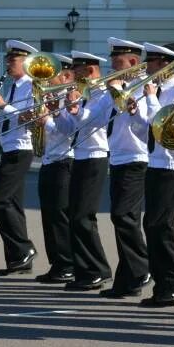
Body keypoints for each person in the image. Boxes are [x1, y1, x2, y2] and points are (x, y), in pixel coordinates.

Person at [76, 38, 151, 298]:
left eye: (117, 63)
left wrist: (121, 93)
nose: (112, 69)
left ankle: (141, 268)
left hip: (136, 157)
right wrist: (74, 108)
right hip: (118, 158)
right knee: (121, 219)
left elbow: (146, 122)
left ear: (132, 62)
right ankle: (128, 278)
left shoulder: (142, 86)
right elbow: (94, 119)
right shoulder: (113, 87)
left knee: (124, 216)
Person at [134, 42, 174, 308]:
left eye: (152, 62)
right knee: (153, 225)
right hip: (156, 162)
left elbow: (162, 123)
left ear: (165, 64)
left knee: (160, 225)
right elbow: (146, 127)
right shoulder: (160, 89)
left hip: (172, 165)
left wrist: (149, 98)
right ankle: (166, 283)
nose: (147, 67)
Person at [56, 51, 113, 291]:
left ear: (89, 71)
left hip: (95, 156)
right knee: (75, 215)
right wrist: (60, 111)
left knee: (83, 216)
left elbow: (95, 121)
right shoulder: (85, 93)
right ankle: (84, 269)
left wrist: (77, 109)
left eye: (76, 71)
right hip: (80, 154)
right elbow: (70, 129)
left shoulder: (102, 94)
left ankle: (96, 270)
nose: (72, 76)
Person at [0, 40, 39, 275]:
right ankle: (18, 258)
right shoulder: (12, 86)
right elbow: (6, 120)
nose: (8, 63)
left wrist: (3, 106)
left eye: (13, 60)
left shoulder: (32, 87)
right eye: (8, 59)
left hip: (21, 148)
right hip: (9, 147)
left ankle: (23, 248)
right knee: (13, 205)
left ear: (26, 62)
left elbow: (27, 118)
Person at [35, 56, 76, 285]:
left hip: (65, 160)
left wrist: (47, 121)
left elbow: (70, 131)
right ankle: (57, 263)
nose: (46, 81)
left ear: (66, 76)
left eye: (51, 76)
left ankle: (67, 263)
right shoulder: (50, 98)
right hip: (49, 160)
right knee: (49, 216)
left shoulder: (71, 98)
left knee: (60, 215)